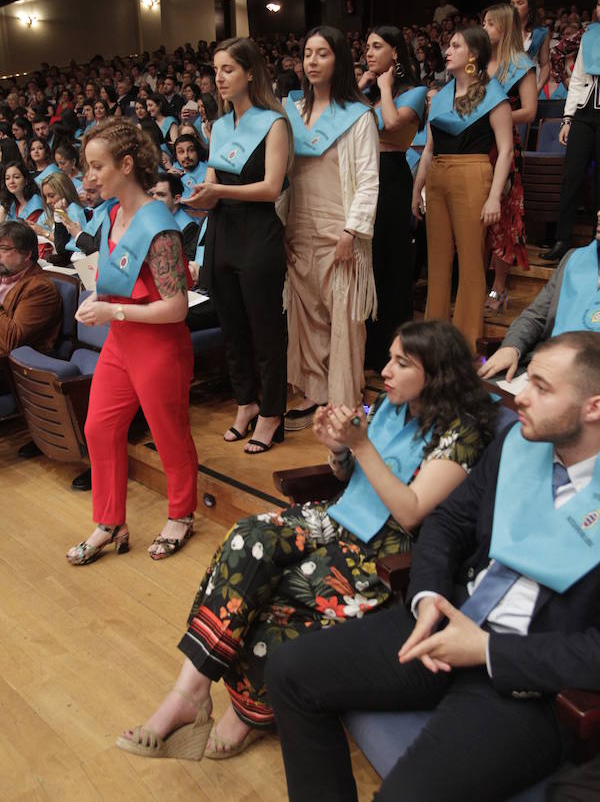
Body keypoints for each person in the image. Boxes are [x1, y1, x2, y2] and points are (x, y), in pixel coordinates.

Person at [115, 319, 496, 762]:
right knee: (247, 539)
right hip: (335, 521)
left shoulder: (462, 432)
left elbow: (411, 511)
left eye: (401, 363)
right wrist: (338, 448)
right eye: (389, 358)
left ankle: (250, 712)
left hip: (383, 555)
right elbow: (351, 479)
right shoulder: (394, 406)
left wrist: (361, 446)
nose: (386, 371)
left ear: (437, 374)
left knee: (285, 589)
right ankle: (190, 689)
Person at [267, 330, 600, 802]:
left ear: (594, 406)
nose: (519, 396)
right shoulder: (520, 446)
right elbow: (446, 523)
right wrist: (426, 598)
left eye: (541, 388)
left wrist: (486, 649)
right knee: (289, 671)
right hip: (442, 622)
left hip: (526, 683)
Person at [66, 118, 198, 565]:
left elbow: (177, 307)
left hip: (158, 347)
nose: (90, 177)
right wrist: (99, 301)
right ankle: (110, 522)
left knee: (169, 436)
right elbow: (118, 281)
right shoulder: (110, 215)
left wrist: (112, 311)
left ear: (126, 164)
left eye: (98, 166)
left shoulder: (159, 226)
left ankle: (181, 515)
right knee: (98, 428)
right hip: (121, 343)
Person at [185, 37, 291, 454]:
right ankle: (245, 403)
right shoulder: (221, 124)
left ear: (250, 73)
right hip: (223, 232)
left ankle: (271, 412)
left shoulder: (274, 122)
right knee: (232, 328)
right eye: (215, 70)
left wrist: (220, 195)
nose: (220, 77)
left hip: (258, 233)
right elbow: (212, 178)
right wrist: (200, 195)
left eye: (228, 69)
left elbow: (270, 188)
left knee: (264, 330)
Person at [282, 25, 379, 429]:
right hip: (299, 223)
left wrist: (351, 232)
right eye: (307, 54)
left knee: (343, 315)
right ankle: (313, 391)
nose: (313, 61)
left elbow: (369, 178)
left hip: (339, 227)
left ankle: (343, 399)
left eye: (322, 53)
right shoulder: (292, 113)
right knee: (306, 314)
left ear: (338, 60)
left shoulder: (357, 115)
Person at [411, 27, 513, 351]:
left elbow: (506, 149)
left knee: (470, 261)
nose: (447, 50)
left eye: (456, 45)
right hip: (438, 176)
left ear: (473, 55)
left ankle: (466, 343)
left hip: (473, 173)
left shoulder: (493, 93)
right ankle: (434, 341)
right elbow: (428, 148)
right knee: (437, 261)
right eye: (449, 45)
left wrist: (495, 196)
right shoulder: (440, 96)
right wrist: (418, 189)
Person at [360, 25, 427, 370]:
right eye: (367, 47)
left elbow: (391, 123)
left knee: (392, 264)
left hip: (392, 177)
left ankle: (395, 350)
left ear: (396, 52)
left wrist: (384, 88)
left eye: (376, 46)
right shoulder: (367, 90)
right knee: (368, 263)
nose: (368, 53)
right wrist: (361, 87)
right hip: (365, 176)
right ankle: (369, 351)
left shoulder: (414, 92)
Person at [479, 209, 600, 381]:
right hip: (543, 367)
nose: (599, 213)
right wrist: (511, 347)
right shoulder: (574, 259)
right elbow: (535, 316)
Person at [482, 3, 537, 311]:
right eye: (483, 23)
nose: (484, 28)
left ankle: (499, 288)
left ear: (503, 28)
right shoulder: (475, 62)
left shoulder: (520, 63)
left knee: (504, 216)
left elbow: (530, 111)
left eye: (490, 24)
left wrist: (496, 117)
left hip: (505, 147)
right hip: (476, 145)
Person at [541, 0, 600, 261]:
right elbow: (577, 81)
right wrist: (567, 119)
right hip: (584, 115)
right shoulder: (590, 37)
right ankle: (562, 239)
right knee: (572, 176)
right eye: (599, 2)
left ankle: (595, 241)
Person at [0, 219, 62, 356]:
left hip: (11, 367)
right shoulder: (4, 274)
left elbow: (13, 341)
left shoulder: (40, 288)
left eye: (4, 249)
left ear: (27, 254)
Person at [511, 0, 550, 95]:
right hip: (506, 86)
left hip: (530, 85)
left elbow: (545, 64)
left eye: (520, 3)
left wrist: (539, 87)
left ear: (530, 7)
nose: (514, 7)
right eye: (512, 4)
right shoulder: (504, 30)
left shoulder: (541, 32)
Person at [172, 134, 208, 198]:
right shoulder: (173, 172)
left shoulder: (208, 171)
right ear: (176, 156)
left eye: (191, 150)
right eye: (181, 152)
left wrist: (184, 177)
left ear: (197, 152)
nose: (186, 155)